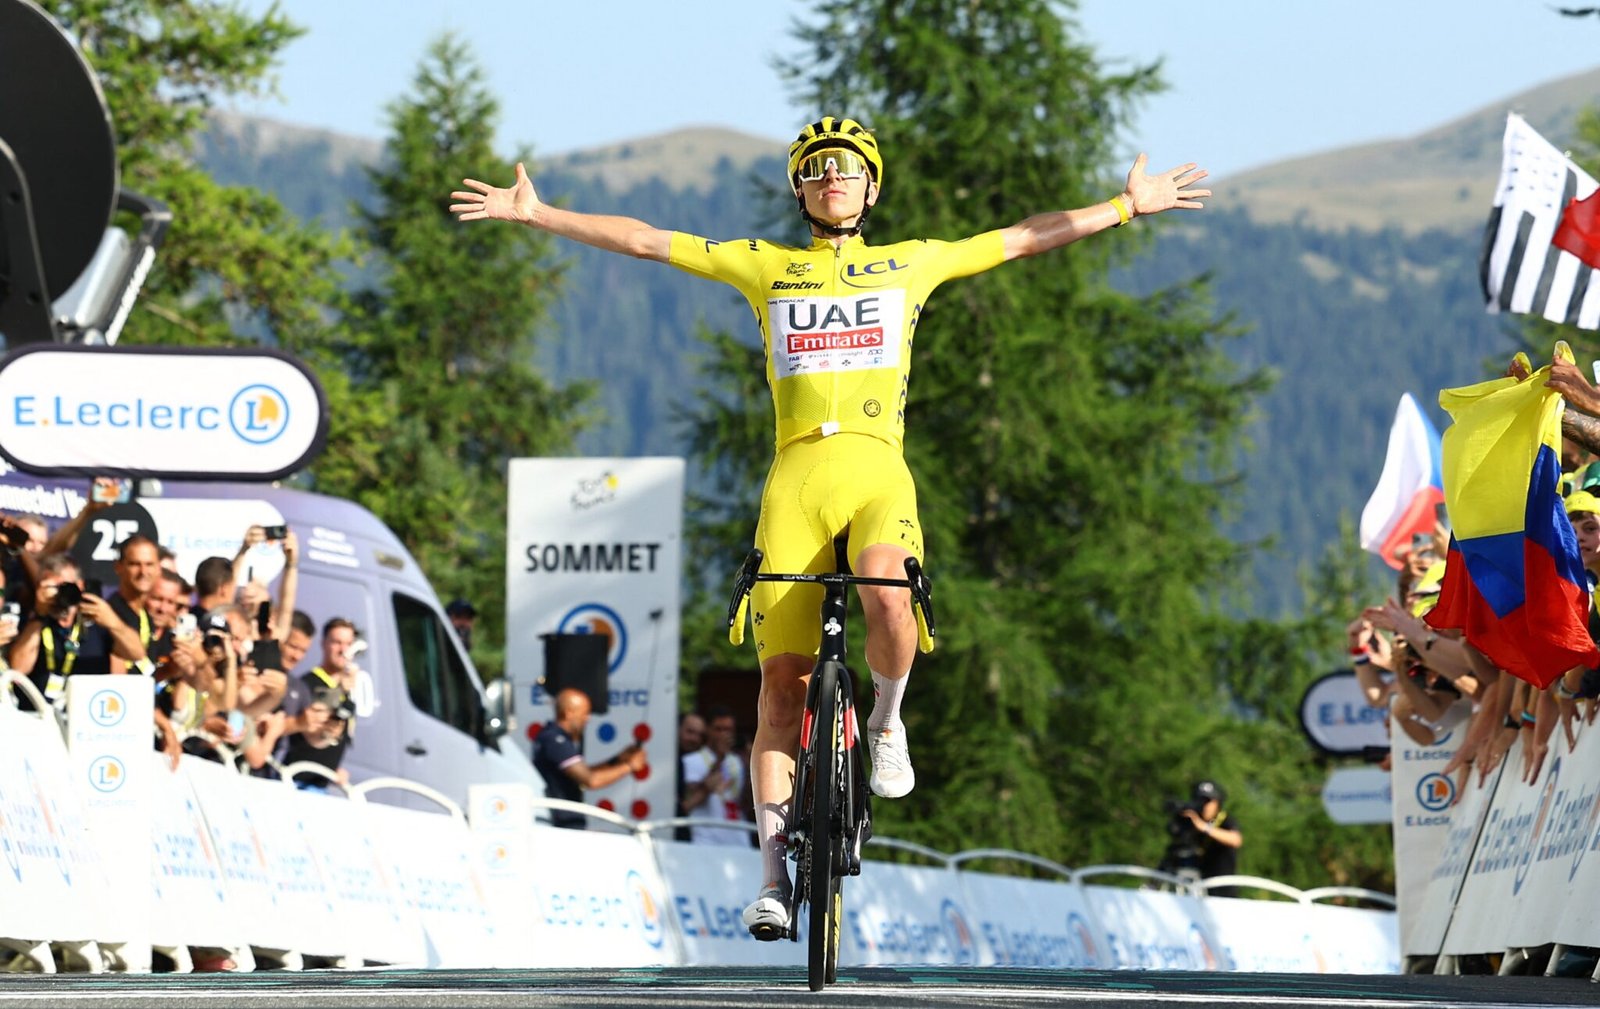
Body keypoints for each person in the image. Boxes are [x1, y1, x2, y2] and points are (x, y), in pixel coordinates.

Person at [452, 116, 1209, 936]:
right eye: (816, 170)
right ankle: (775, 876)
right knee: (780, 684)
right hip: (795, 482)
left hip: (878, 471)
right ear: (800, 189)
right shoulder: (766, 267)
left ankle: (884, 721)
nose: (832, 178)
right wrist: (540, 214)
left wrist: (1123, 208)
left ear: (871, 186)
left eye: (847, 168)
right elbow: (646, 241)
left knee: (889, 591)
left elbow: (1019, 239)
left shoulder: (911, 262)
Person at [531, 687, 646, 829]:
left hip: (565, 823)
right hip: (562, 825)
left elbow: (582, 773)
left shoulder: (554, 737)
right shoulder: (554, 739)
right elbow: (591, 780)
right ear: (568, 713)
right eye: (584, 714)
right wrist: (629, 766)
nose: (588, 719)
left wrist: (618, 760)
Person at [679, 706, 748, 846]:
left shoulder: (738, 761)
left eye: (728, 729)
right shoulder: (691, 760)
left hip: (738, 837)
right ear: (708, 730)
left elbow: (745, 802)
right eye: (718, 729)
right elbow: (690, 798)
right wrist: (719, 758)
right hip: (704, 838)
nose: (723, 734)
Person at [1180, 780, 1243, 895]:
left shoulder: (1225, 820)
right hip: (1194, 888)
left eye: (1207, 801)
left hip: (1221, 890)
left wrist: (1204, 828)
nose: (1203, 805)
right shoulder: (1191, 823)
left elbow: (1236, 840)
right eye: (1199, 800)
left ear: (1217, 803)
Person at [673, 711, 707, 842]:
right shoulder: (670, 761)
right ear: (678, 729)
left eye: (700, 735)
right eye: (690, 732)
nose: (695, 739)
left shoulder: (700, 761)